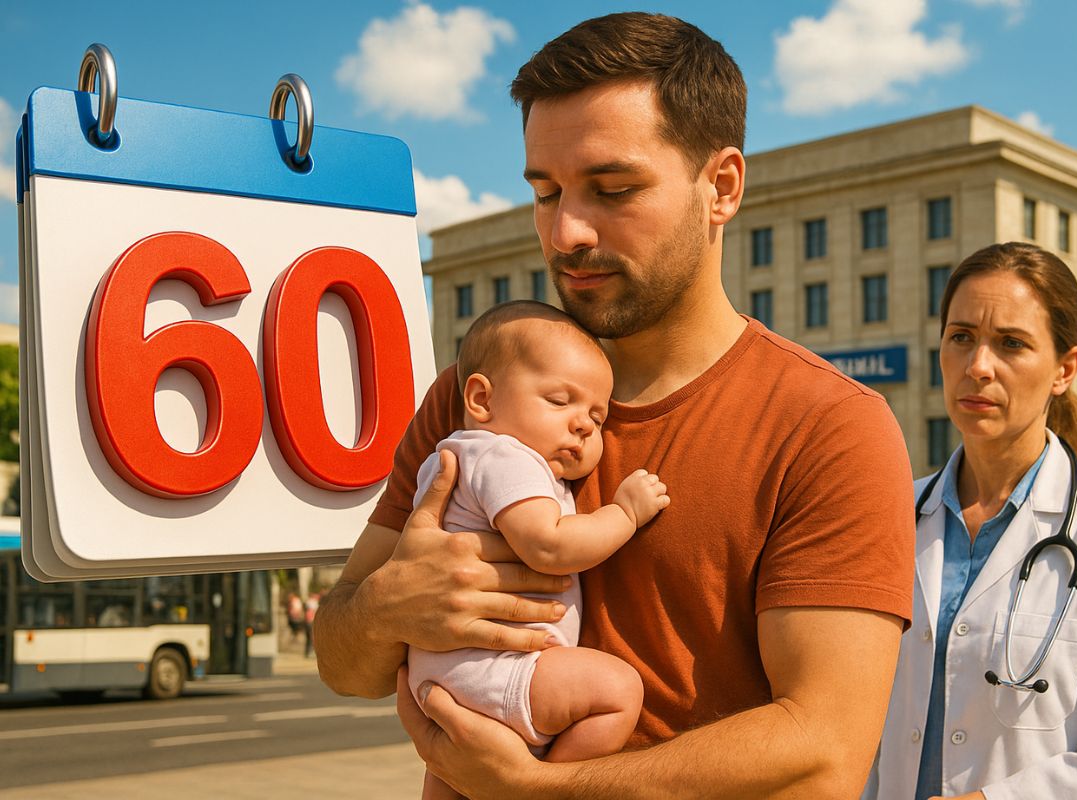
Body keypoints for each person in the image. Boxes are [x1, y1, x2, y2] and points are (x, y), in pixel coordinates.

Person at [315, 12, 915, 798]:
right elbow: (343, 663)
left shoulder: (827, 426)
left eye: (613, 189)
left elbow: (824, 755)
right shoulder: (477, 391)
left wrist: (535, 790)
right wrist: (386, 609)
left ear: (722, 188)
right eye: (545, 191)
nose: (566, 231)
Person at [865, 242, 1077, 799]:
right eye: (961, 337)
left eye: (1011, 343)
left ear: (1066, 369)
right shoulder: (890, 514)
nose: (978, 366)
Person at [408, 301, 668, 799]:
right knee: (617, 693)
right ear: (482, 399)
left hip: (457, 675)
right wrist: (625, 514)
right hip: (491, 670)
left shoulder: (470, 455)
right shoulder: (503, 454)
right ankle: (546, 789)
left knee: (455, 778)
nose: (583, 425)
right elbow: (548, 545)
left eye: (597, 416)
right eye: (558, 400)